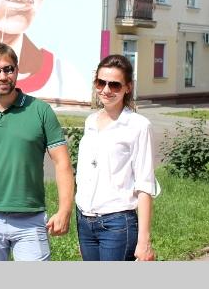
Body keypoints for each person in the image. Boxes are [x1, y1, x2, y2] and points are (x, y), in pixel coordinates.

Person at [0, 41, 74, 261]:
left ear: (17, 70)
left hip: (31, 218)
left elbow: (62, 163)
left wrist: (65, 209)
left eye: (8, 69)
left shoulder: (40, 111)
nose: (2, 76)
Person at [75, 54, 160, 261]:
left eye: (114, 85)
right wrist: (84, 229)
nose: (106, 90)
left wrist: (144, 241)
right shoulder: (90, 121)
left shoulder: (138, 126)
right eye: (101, 82)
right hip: (85, 221)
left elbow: (145, 184)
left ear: (128, 87)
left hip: (117, 224)